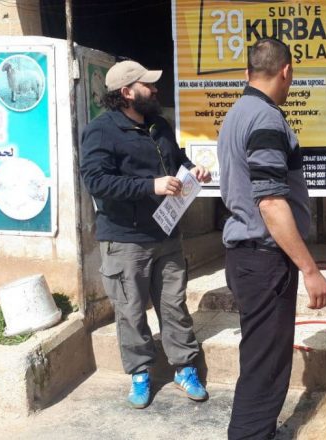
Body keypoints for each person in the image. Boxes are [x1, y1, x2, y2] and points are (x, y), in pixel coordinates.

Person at [217, 38, 326, 439]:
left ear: (248, 72)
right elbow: (270, 203)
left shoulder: (238, 112)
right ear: (286, 72)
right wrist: (310, 268)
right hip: (265, 259)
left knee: (260, 357)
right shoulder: (266, 119)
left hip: (248, 257)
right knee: (266, 366)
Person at [80, 60, 212, 409]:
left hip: (166, 234)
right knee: (131, 309)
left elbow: (176, 160)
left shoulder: (159, 125)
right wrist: (149, 185)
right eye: (147, 85)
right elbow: (96, 181)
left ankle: (184, 367)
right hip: (125, 239)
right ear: (126, 92)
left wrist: (191, 170)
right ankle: (140, 372)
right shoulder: (101, 131)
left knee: (174, 304)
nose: (155, 90)